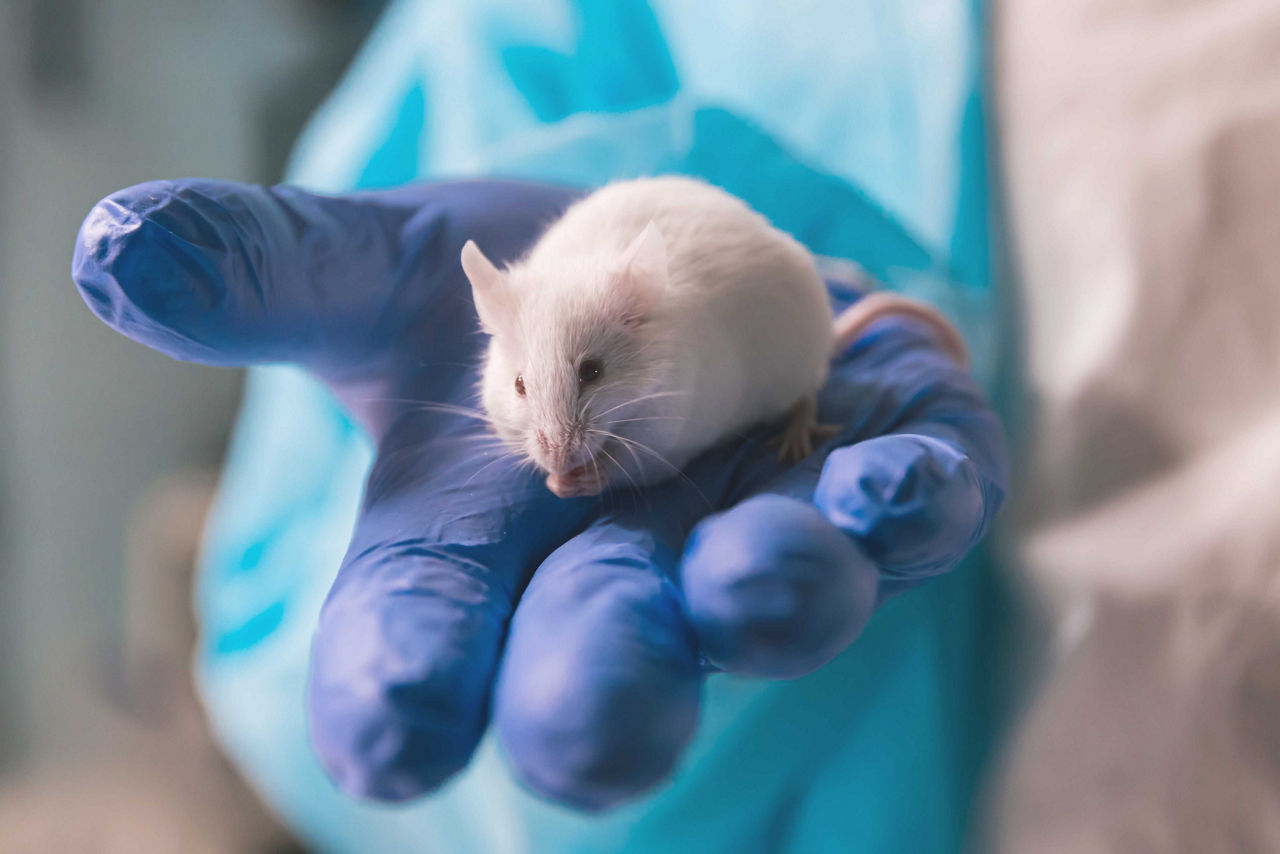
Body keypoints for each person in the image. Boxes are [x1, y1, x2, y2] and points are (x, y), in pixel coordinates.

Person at [72, 1, 1009, 850]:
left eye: (596, 377)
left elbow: (707, 393)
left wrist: (859, 340)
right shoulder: (494, 36)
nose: (554, 438)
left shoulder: (666, 341)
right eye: (522, 391)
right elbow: (261, 653)